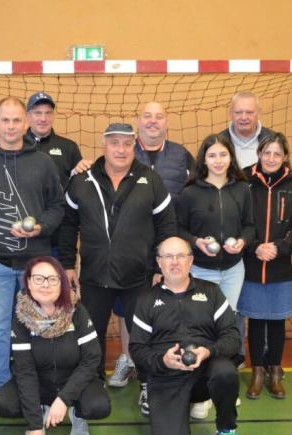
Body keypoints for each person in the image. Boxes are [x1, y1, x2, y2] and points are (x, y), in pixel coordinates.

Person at [58, 122, 177, 417]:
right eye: (115, 143)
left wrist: (161, 264)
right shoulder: (83, 180)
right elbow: (68, 225)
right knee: (91, 336)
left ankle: (148, 386)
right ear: (104, 145)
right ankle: (91, 384)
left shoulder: (151, 179)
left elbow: (166, 226)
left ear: (134, 145)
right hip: (94, 276)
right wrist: (66, 264)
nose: (121, 149)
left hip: (139, 276)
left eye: (126, 143)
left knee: (144, 335)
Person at [0, 97, 64, 399]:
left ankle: (39, 386)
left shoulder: (44, 162)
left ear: (27, 123)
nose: (11, 126)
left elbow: (58, 207)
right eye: (5, 120)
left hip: (36, 266)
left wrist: (40, 227)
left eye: (17, 120)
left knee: (39, 328)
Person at [107, 102, 195, 390]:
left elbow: (198, 192)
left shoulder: (182, 155)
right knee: (127, 309)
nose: (153, 121)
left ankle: (163, 366)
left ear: (167, 122)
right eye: (147, 116)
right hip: (132, 250)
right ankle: (128, 358)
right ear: (138, 122)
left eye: (159, 117)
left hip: (172, 248)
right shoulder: (125, 154)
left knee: (168, 308)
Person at [130, 237, 242, 435]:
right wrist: (163, 361)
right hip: (166, 378)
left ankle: (226, 430)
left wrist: (208, 352)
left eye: (181, 256)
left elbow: (233, 337)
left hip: (204, 372)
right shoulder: (146, 300)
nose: (175, 262)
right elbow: (137, 349)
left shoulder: (211, 292)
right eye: (168, 257)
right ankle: (176, 415)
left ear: (190, 261)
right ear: (159, 262)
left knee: (225, 372)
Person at [0, 256, 110, 435]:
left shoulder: (77, 311)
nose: (45, 285)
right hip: (39, 384)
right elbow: (25, 371)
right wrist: (35, 424)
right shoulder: (20, 317)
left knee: (99, 405)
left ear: (61, 283)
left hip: (73, 381)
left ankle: (77, 414)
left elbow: (91, 360)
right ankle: (40, 409)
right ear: (29, 282)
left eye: (52, 279)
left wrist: (64, 399)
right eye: (38, 278)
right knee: (3, 404)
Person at [176, 133, 254, 418]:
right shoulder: (190, 192)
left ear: (230, 157)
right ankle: (201, 390)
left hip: (233, 269)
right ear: (203, 159)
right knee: (202, 325)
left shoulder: (242, 190)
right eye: (212, 156)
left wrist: (242, 242)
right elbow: (178, 228)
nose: (218, 160)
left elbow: (250, 226)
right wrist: (196, 242)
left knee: (228, 324)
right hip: (200, 269)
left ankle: (224, 385)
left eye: (223, 155)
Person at [236, 133, 292, 399]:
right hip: (251, 263)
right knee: (256, 319)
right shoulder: (243, 181)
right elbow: (236, 221)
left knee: (277, 320)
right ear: (259, 154)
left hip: (283, 265)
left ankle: (275, 371)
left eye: (277, 154)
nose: (271, 158)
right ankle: (258, 372)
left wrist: (279, 247)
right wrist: (254, 245)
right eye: (266, 152)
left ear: (285, 157)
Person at [25, 91, 92, 188]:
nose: (43, 119)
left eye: (48, 113)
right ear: (28, 116)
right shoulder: (16, 145)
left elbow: (80, 184)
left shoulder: (69, 147)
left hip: (60, 203)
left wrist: (81, 171)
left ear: (53, 116)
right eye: (38, 113)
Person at [217, 92, 273, 169]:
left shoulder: (273, 140)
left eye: (249, 112)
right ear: (231, 114)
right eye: (238, 112)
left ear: (259, 113)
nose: (244, 117)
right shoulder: (217, 142)